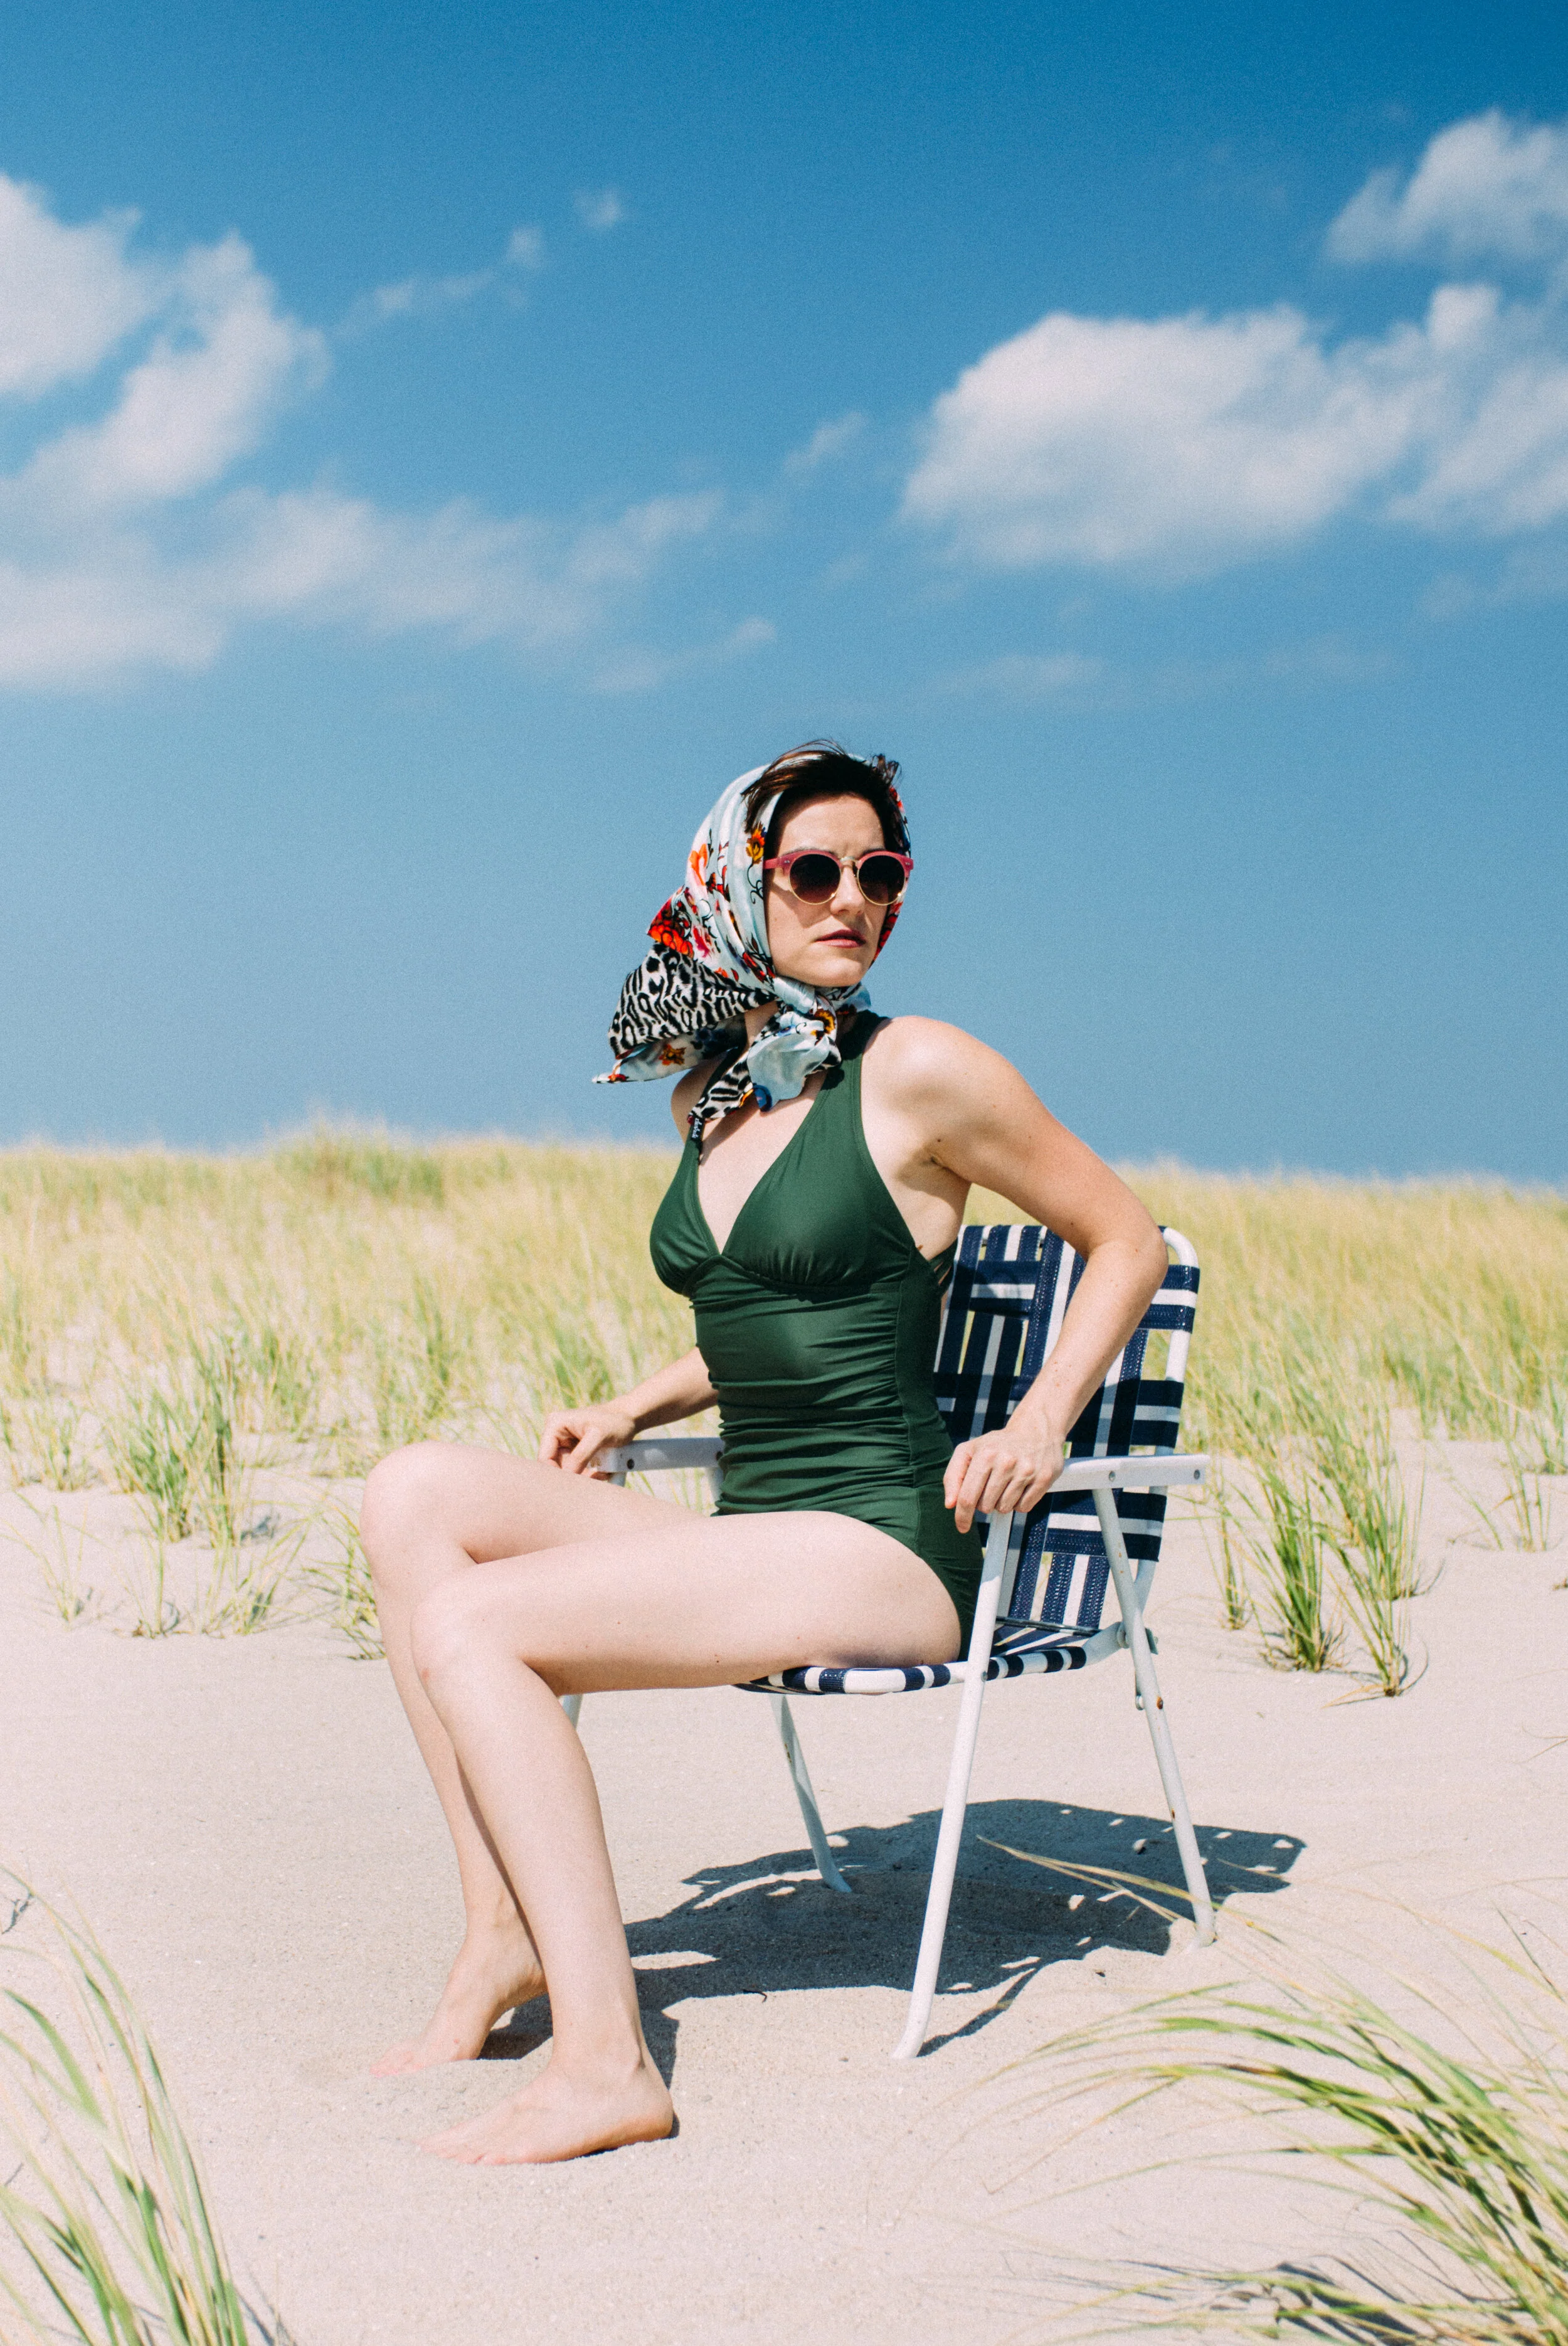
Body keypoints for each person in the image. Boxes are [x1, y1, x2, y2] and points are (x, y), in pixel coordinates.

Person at [360, 741, 1168, 2166]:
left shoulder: (921, 1070)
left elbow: (1127, 1238)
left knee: (474, 1625)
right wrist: (639, 1406)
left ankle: (606, 2064)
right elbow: (771, 1304)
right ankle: (501, 1935)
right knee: (410, 1492)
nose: (851, 898)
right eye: (814, 870)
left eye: (880, 873)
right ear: (739, 884)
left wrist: (1038, 1418)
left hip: (883, 1544)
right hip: (758, 1531)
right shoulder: (712, 1094)